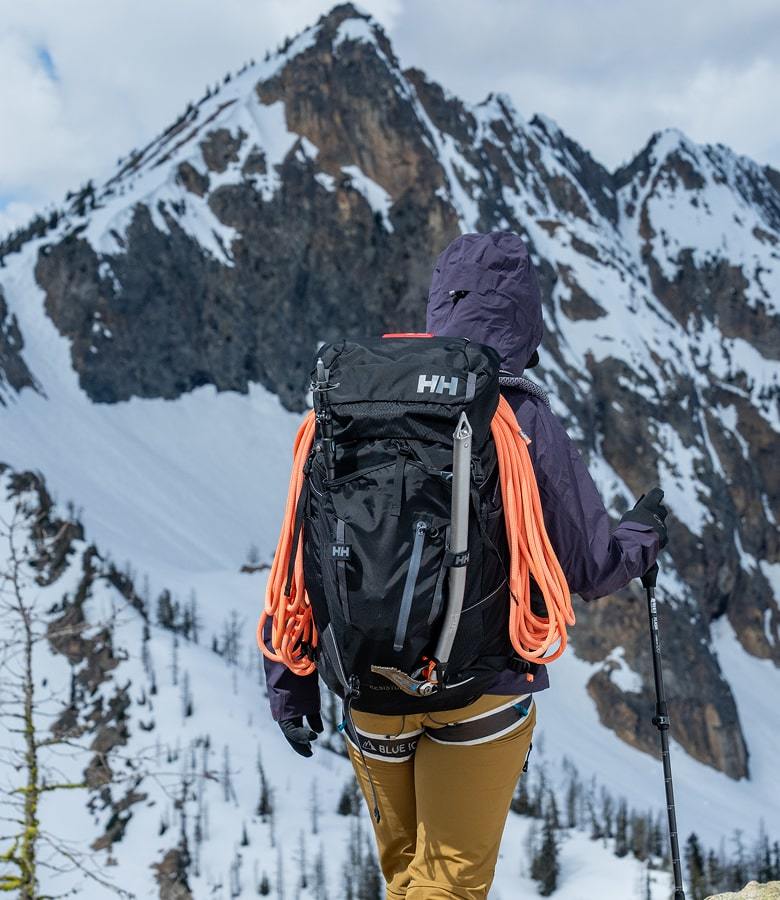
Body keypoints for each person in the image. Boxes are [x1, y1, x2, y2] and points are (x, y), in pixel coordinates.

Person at [262, 232, 668, 899]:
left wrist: (289, 688)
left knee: (408, 881)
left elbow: (300, 561)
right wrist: (642, 534)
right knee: (448, 886)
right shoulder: (517, 413)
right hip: (481, 688)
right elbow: (593, 567)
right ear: (526, 318)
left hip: (368, 688)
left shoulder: (350, 407)